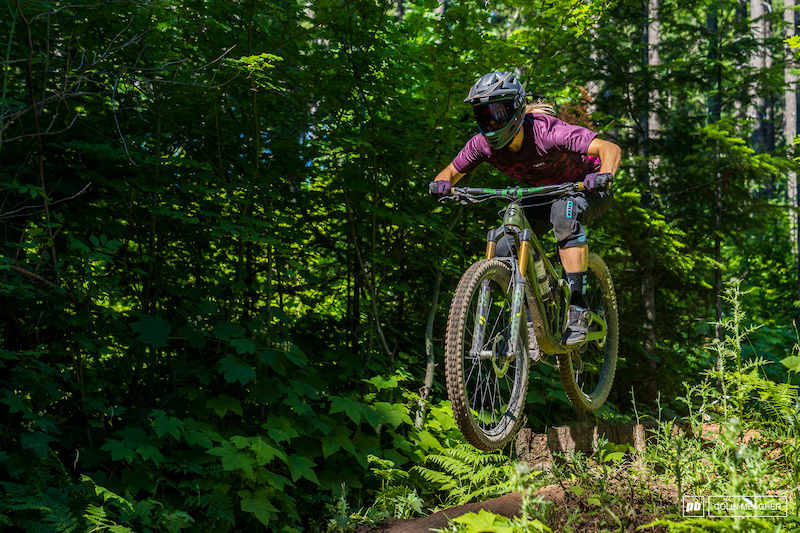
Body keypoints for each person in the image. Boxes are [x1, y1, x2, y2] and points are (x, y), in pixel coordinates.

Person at [429, 71, 621, 346]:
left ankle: (578, 308)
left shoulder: (546, 131)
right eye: (484, 115)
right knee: (506, 244)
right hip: (543, 194)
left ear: (517, 108)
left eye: (498, 112)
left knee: (563, 216)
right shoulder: (482, 145)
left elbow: (609, 149)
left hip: (583, 188)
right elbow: (447, 173)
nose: (492, 120)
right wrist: (441, 185)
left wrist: (604, 175)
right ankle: (532, 316)